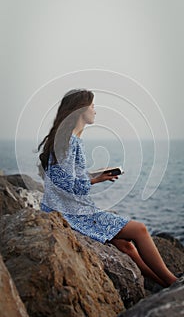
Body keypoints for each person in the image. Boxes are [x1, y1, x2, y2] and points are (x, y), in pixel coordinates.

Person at [38, 88, 177, 287]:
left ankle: (163, 283)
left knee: (126, 245)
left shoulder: (70, 138)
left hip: (69, 208)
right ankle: (174, 282)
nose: (95, 110)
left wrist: (95, 175)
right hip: (70, 212)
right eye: (93, 106)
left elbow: (67, 176)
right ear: (81, 109)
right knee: (140, 230)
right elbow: (65, 183)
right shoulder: (68, 140)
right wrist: (95, 180)